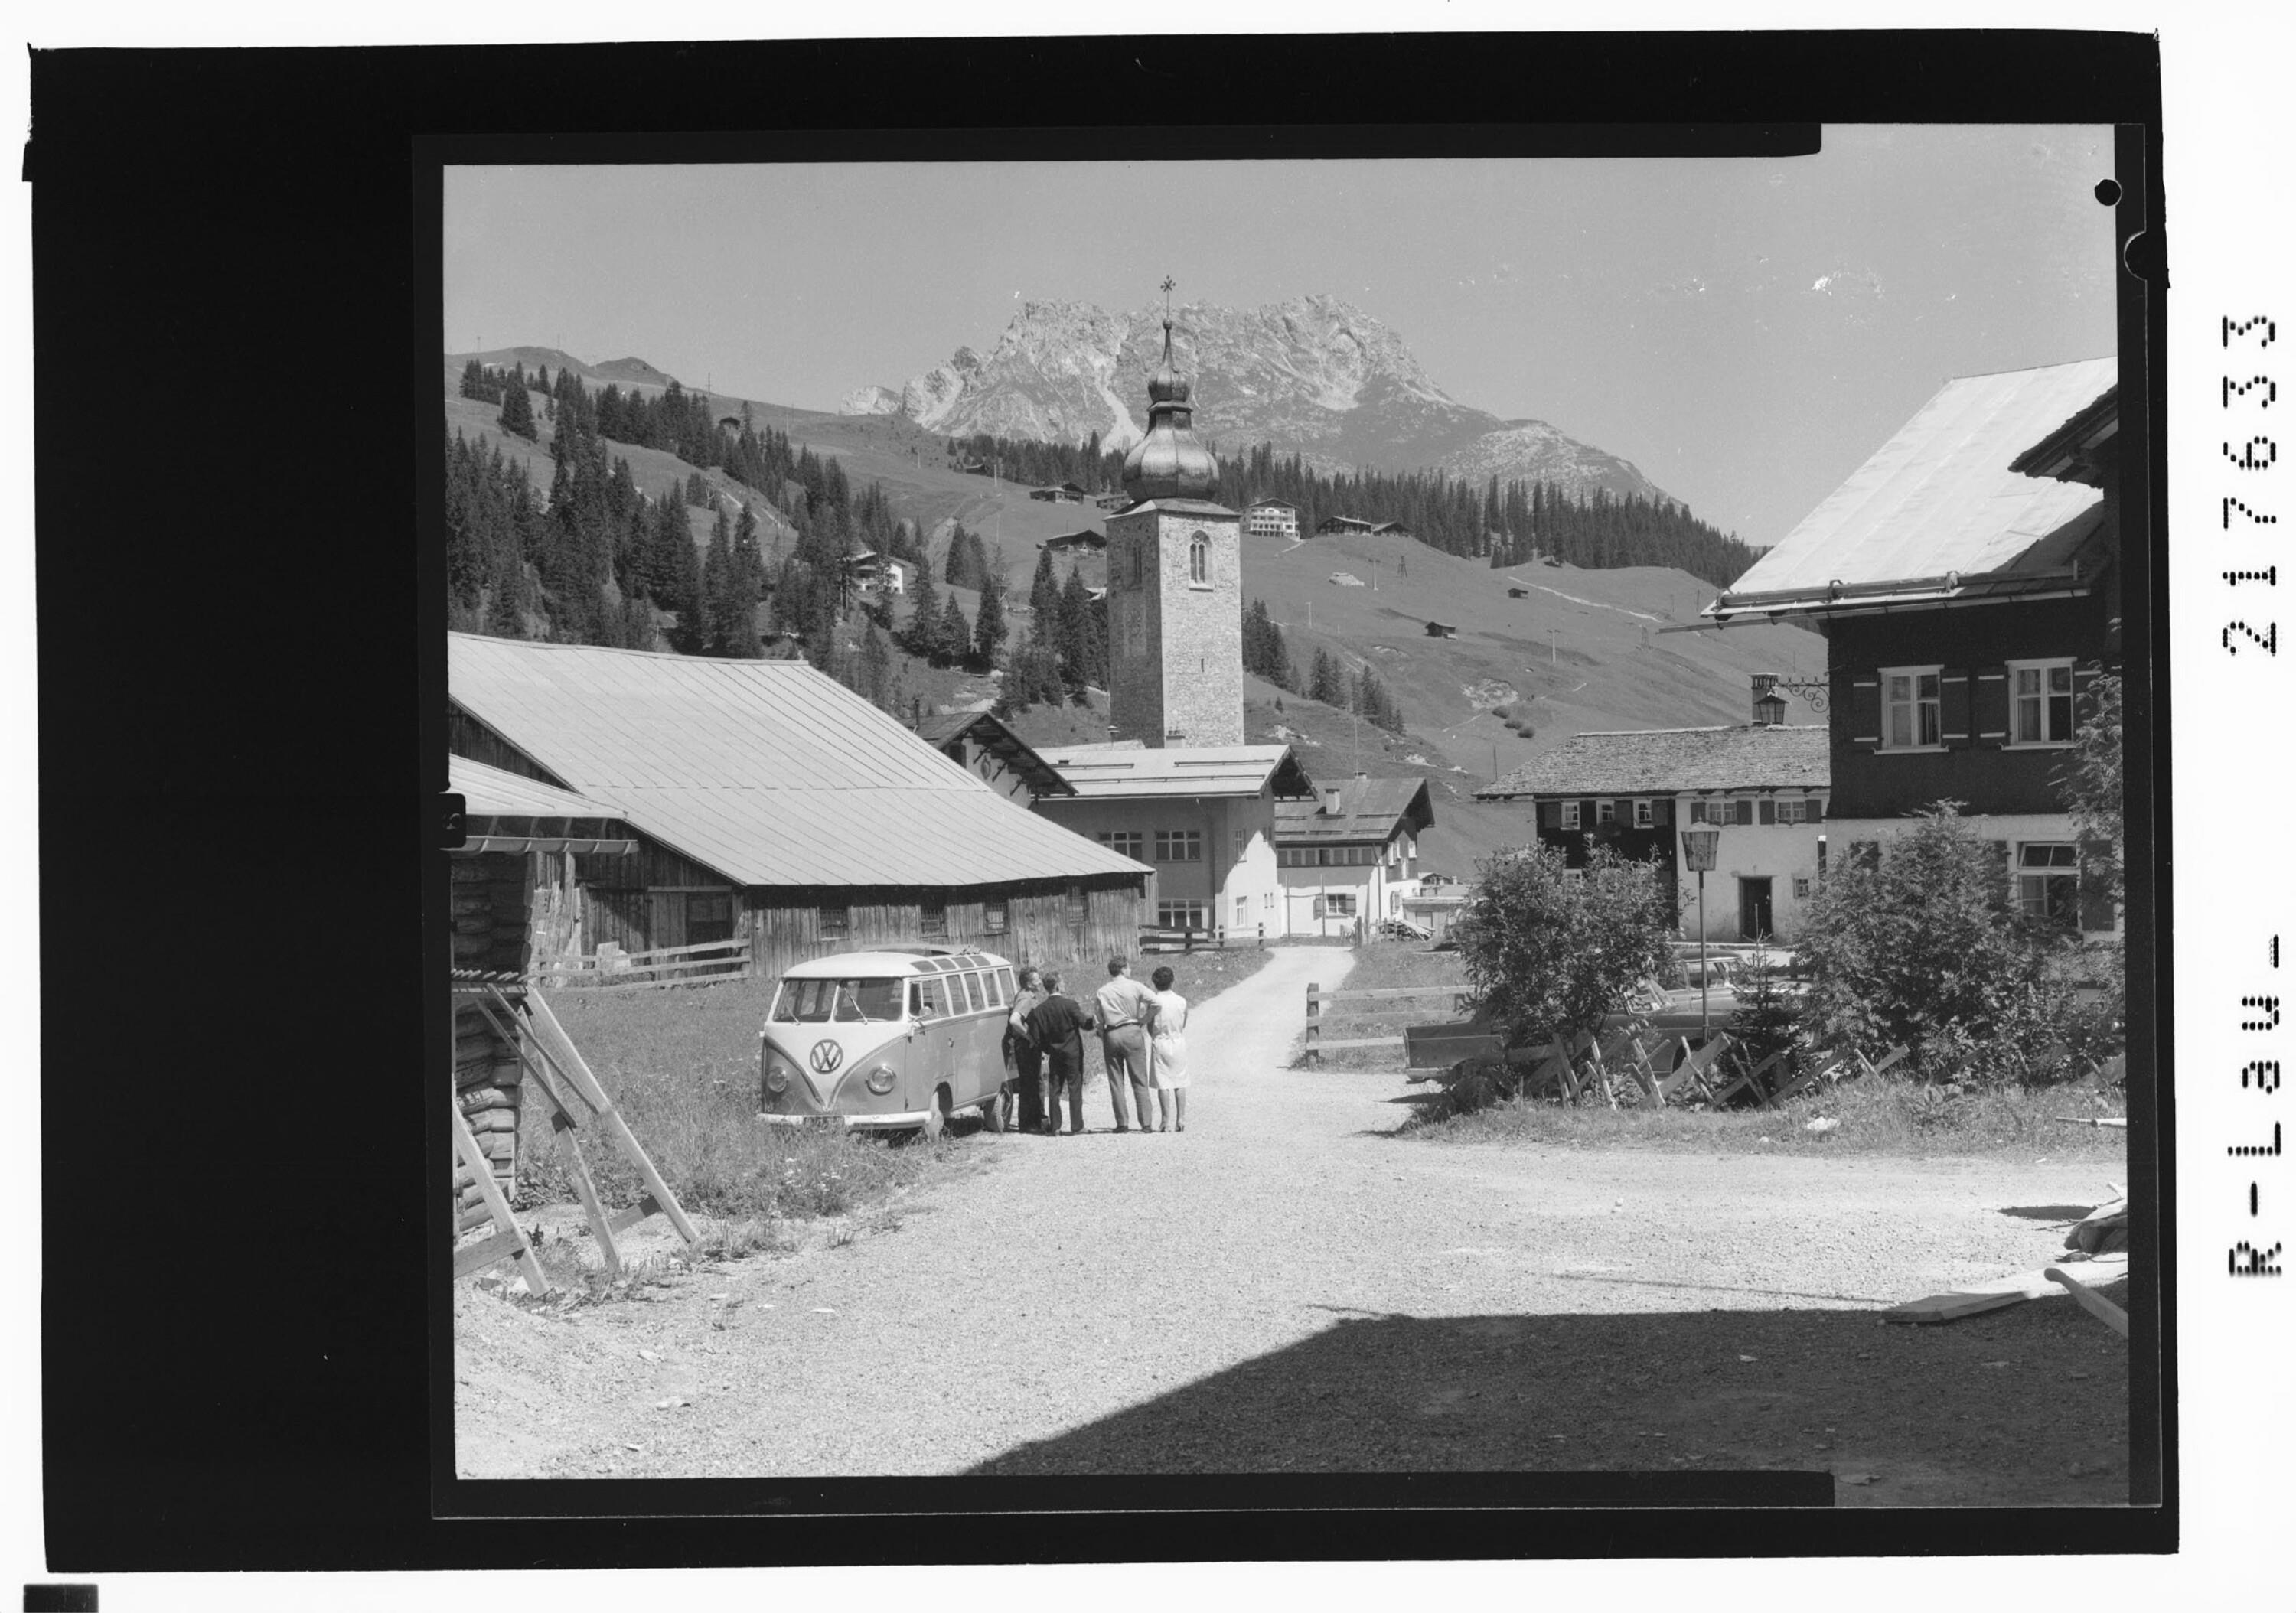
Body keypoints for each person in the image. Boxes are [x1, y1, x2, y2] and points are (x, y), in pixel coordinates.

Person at [1022, 970, 1095, 1136]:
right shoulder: (1070, 1005)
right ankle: (1077, 1125)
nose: (1064, 985)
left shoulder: (1040, 1010)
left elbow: (1035, 1036)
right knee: (1074, 1087)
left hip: (1055, 1053)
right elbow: (1084, 1024)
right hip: (1073, 1052)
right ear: (1057, 985)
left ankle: (1055, 1126)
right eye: (1062, 982)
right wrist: (1095, 1021)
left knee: (1054, 1089)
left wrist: (1048, 1049)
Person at [1093, 955, 1159, 1135]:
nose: (1130, 971)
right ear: (1123, 969)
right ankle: (1146, 1123)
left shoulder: (1103, 991)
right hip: (1132, 1029)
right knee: (1139, 1078)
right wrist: (1144, 1020)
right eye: (1128, 968)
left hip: (1112, 1032)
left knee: (1116, 1080)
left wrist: (1102, 1032)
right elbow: (1156, 1003)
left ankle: (1122, 1123)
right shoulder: (1135, 986)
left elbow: (1098, 1018)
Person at [1143, 964, 1191, 1131]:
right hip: (1177, 1041)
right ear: (1173, 981)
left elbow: (1148, 1024)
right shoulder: (1181, 1001)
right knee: (1180, 1080)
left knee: (1163, 1082)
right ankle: (1181, 1118)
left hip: (1160, 1040)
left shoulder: (1154, 1002)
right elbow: (1183, 1023)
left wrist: (1155, 1034)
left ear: (1155, 983)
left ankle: (1165, 1120)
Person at [1003, 966, 1051, 1134]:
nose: (1040, 982)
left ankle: (1030, 1122)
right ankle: (1033, 1123)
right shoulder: (1027, 999)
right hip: (1026, 1047)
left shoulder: (1024, 995)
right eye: (1037, 979)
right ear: (1030, 984)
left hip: (1023, 1046)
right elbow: (1015, 1020)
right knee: (1033, 1084)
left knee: (1029, 1083)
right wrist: (1029, 1037)